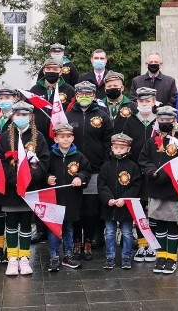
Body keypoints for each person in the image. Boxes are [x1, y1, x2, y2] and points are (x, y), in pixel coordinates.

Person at [0, 101, 51, 275]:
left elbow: (44, 161)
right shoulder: (5, 136)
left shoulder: (39, 137)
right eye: (18, 114)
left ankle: (25, 257)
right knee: (11, 222)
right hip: (11, 188)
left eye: (25, 114)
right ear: (13, 116)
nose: (21, 117)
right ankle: (12, 257)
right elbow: (0, 162)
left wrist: (30, 176)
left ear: (31, 116)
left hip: (30, 188)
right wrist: (13, 178)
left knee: (26, 223)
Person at [139, 105, 178, 275]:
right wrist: (150, 171)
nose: (164, 123)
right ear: (157, 121)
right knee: (159, 224)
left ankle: (172, 258)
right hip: (155, 189)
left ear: (174, 121)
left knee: (171, 224)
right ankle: (161, 256)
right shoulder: (151, 141)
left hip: (172, 189)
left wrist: (165, 175)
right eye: (161, 120)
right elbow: (144, 159)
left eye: (168, 120)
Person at [66, 81, 114, 261]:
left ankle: (89, 240)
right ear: (76, 96)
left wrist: (104, 166)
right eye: (80, 94)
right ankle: (76, 241)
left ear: (94, 95)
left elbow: (108, 142)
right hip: (73, 171)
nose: (84, 97)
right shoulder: (68, 115)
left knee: (92, 209)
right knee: (76, 209)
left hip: (95, 170)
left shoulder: (102, 115)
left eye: (88, 93)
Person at [46, 123, 90, 272]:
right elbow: (42, 170)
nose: (65, 139)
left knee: (68, 228)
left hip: (71, 199)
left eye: (68, 136)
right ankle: (54, 256)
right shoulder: (50, 155)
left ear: (73, 138)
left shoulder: (79, 156)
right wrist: (47, 178)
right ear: (56, 139)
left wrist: (80, 177)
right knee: (53, 229)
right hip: (53, 199)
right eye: (62, 137)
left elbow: (86, 171)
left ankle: (68, 254)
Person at [98, 133, 141, 270]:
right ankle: (110, 258)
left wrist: (125, 199)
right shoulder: (106, 166)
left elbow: (135, 186)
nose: (118, 150)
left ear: (128, 149)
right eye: (116, 147)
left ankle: (126, 257)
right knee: (109, 232)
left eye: (122, 148)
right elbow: (102, 184)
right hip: (109, 207)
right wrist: (107, 199)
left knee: (127, 233)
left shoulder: (133, 166)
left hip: (125, 207)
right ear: (112, 148)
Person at [131, 87, 160, 262]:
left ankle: (154, 244)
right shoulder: (131, 121)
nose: (144, 104)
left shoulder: (159, 121)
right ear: (137, 103)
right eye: (141, 101)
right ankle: (142, 244)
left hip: (153, 172)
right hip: (136, 172)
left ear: (154, 101)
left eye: (148, 101)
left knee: (154, 210)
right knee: (140, 210)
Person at [0, 86, 18, 264]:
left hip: (12, 170)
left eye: (8, 96)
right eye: (1, 97)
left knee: (11, 212)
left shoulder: (19, 118)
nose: (4, 100)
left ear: (14, 98)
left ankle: (10, 246)